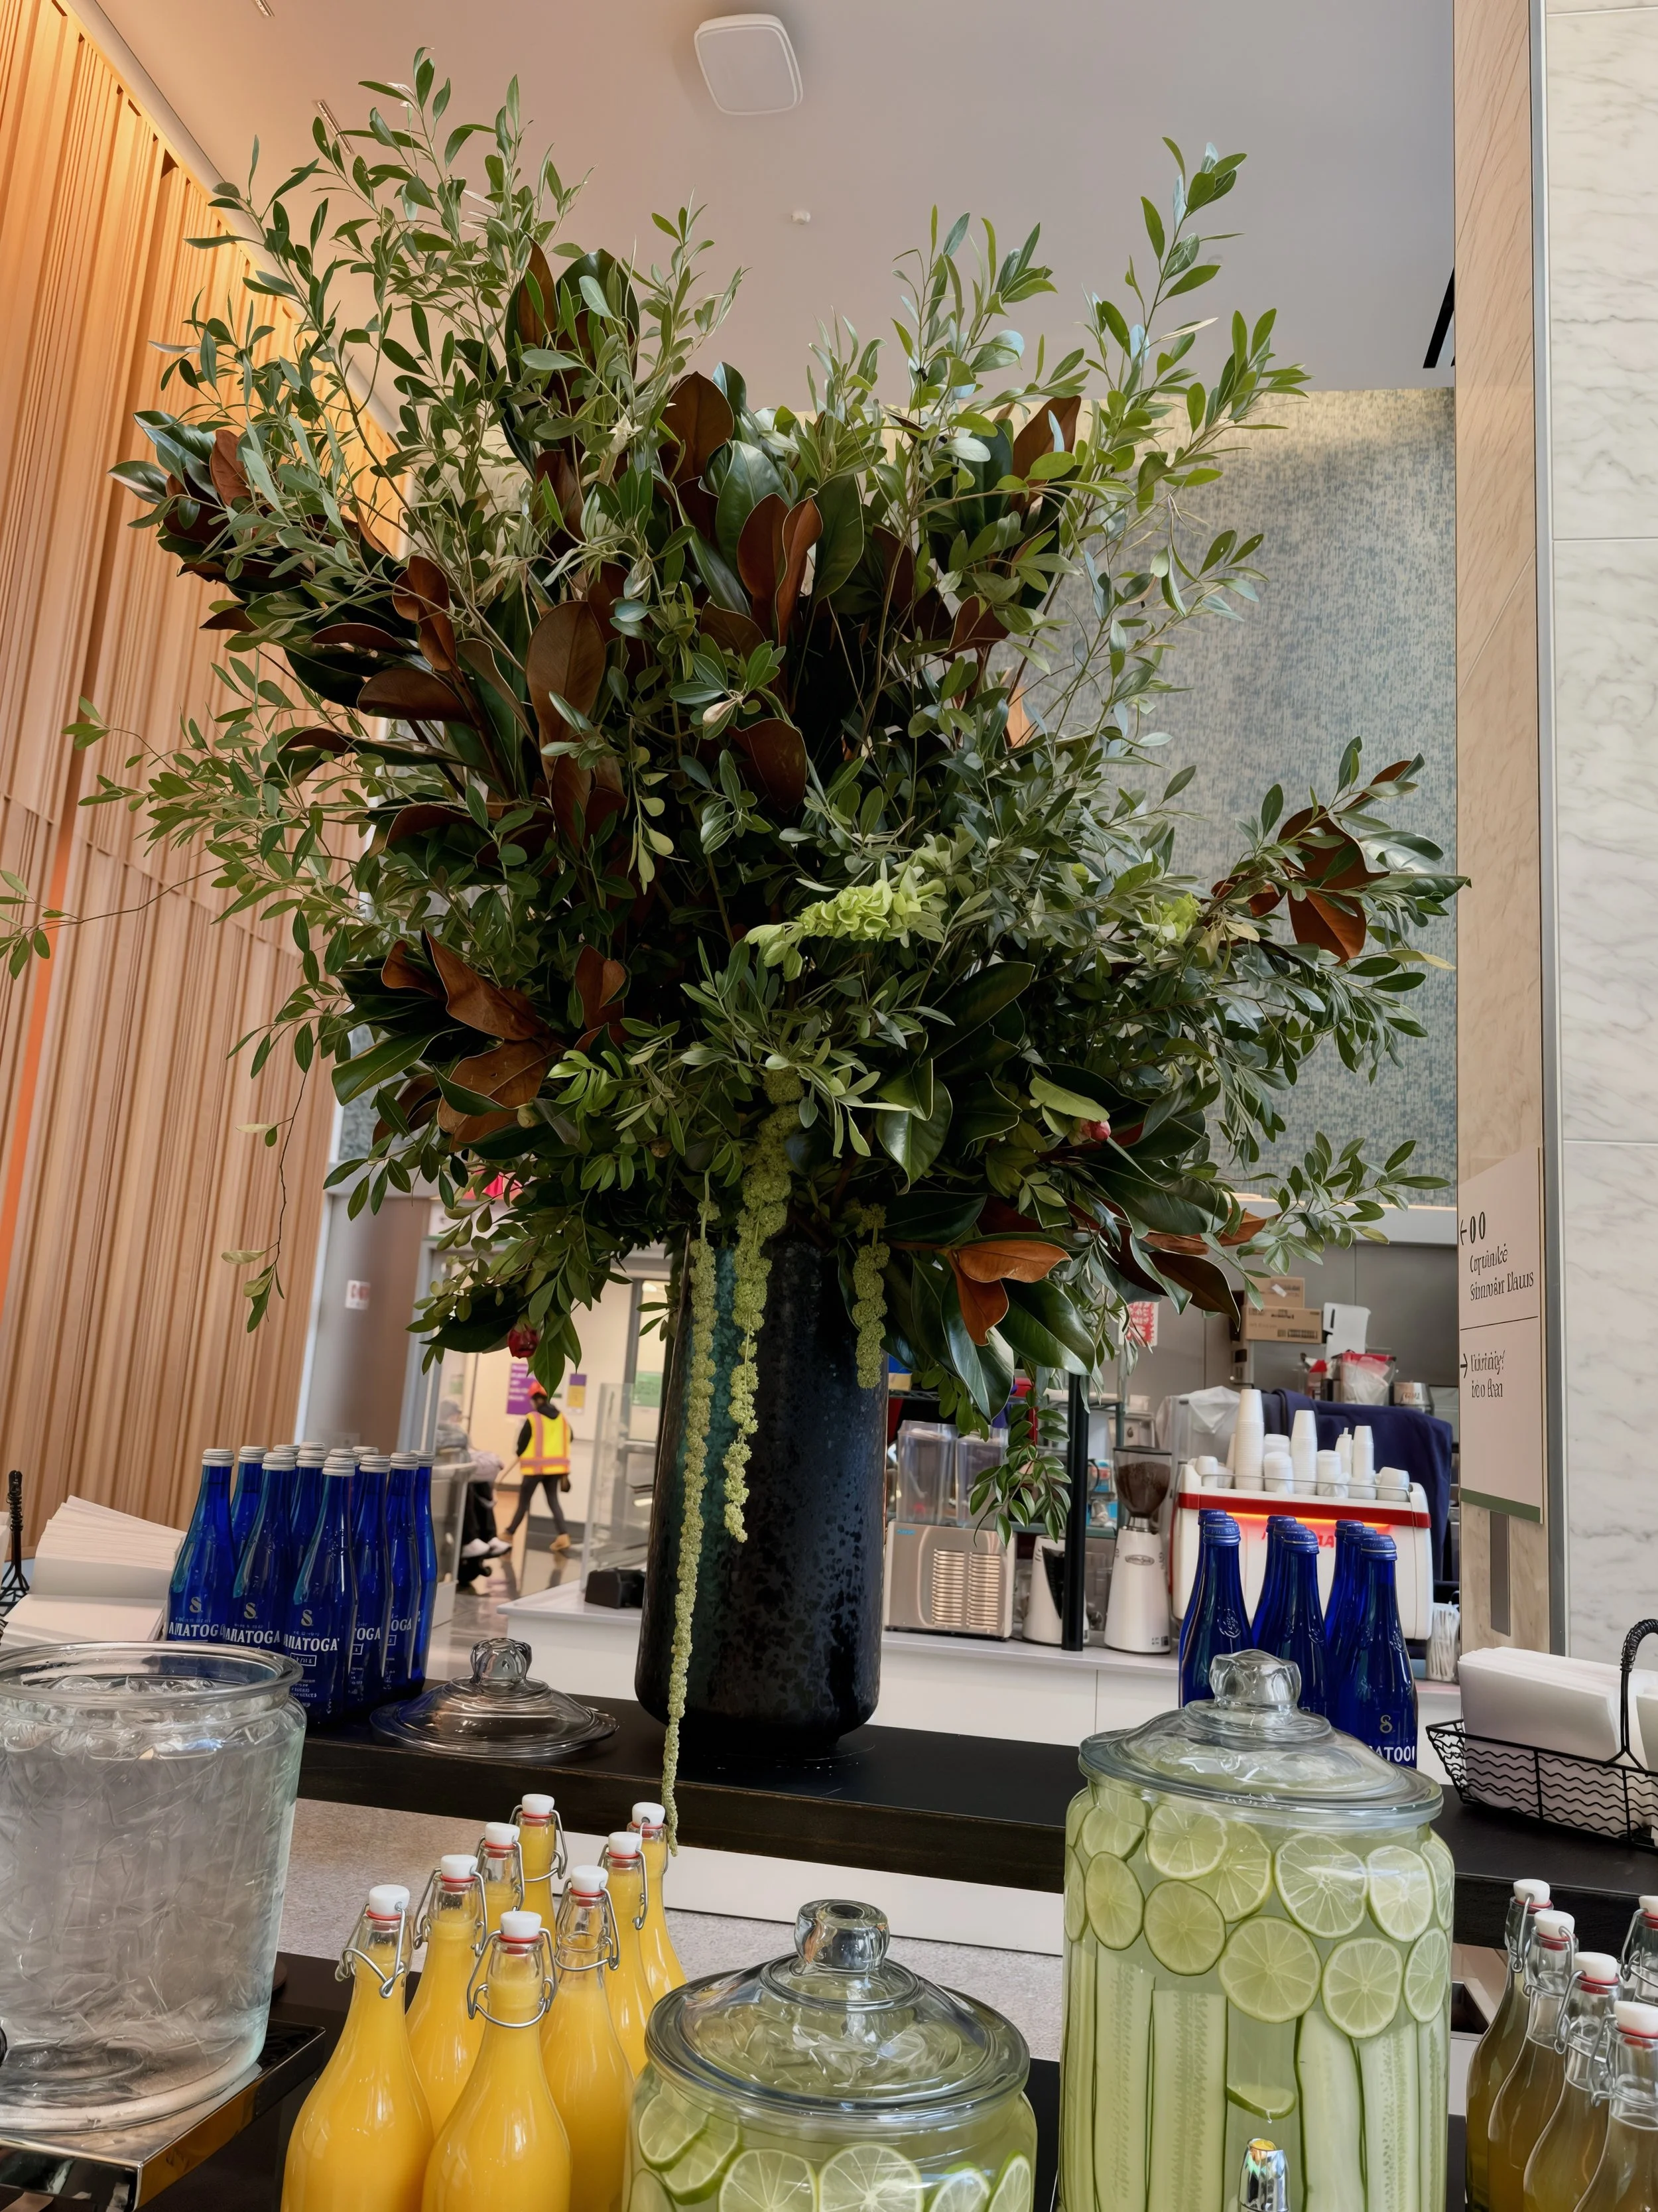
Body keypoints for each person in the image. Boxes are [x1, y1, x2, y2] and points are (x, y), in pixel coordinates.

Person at [505, 1384, 573, 1551]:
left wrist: (520, 1452)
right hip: (556, 1469)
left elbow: (522, 1444)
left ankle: (508, 1534)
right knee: (553, 1500)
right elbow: (571, 1437)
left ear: (537, 1400)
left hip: (535, 1470)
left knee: (524, 1502)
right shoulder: (562, 1418)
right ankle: (563, 1536)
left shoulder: (533, 1418)